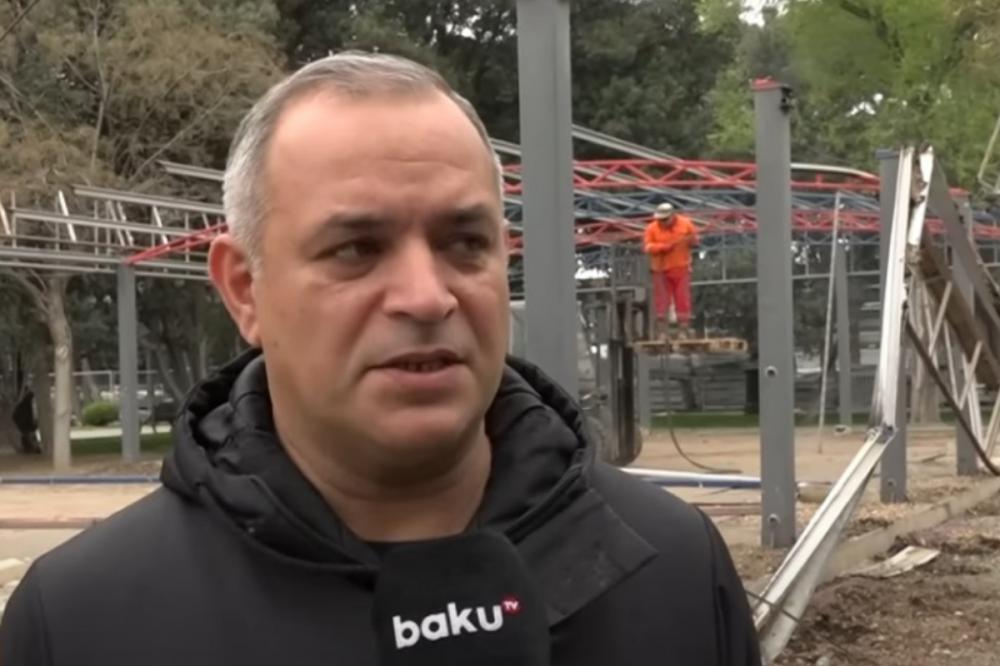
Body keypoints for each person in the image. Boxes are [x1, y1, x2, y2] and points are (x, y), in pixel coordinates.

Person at [0, 52, 760, 665]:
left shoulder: (676, 572)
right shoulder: (81, 624)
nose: (427, 297)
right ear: (245, 290)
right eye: (356, 249)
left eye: (465, 242)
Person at [643, 202, 699, 341]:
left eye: (665, 219)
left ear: (672, 216)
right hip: (660, 270)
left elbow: (695, 241)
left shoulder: (686, 224)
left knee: (682, 299)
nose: (662, 222)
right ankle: (662, 332)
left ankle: (683, 330)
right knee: (662, 301)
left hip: (681, 268)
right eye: (660, 219)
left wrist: (691, 241)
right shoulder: (651, 228)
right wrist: (662, 247)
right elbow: (647, 247)